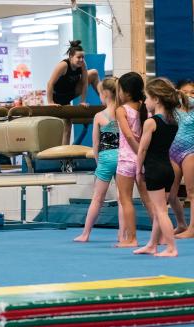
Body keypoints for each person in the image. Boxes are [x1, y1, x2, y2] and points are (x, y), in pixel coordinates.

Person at [133, 78, 180, 257]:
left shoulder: (151, 122)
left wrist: (138, 170)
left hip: (154, 169)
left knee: (160, 211)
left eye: (147, 98)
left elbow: (143, 149)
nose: (145, 102)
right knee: (161, 209)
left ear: (157, 99)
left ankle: (171, 247)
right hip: (168, 169)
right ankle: (152, 244)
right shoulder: (172, 122)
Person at [73, 77, 123, 242]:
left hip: (106, 158)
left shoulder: (99, 116)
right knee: (123, 199)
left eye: (100, 93)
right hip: (123, 157)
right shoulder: (125, 113)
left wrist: (98, 162)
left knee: (97, 198)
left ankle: (85, 234)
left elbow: (95, 144)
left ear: (105, 94)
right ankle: (122, 235)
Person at [114, 72, 151, 248]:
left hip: (127, 160)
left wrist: (138, 155)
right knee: (149, 200)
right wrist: (143, 157)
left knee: (126, 200)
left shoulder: (121, 110)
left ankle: (132, 238)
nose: (118, 93)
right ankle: (159, 236)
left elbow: (128, 137)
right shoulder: (145, 107)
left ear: (126, 92)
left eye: (119, 89)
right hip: (143, 160)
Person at [47, 40, 101, 144]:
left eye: (83, 57)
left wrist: (83, 101)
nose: (81, 60)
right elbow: (50, 84)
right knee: (67, 125)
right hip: (58, 97)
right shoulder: (63, 65)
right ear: (71, 57)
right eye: (78, 57)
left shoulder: (82, 64)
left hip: (70, 93)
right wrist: (50, 102)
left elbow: (85, 83)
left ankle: (105, 99)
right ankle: (64, 153)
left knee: (93, 73)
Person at [170, 79, 194, 237]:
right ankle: (181, 224)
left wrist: (185, 96)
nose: (189, 95)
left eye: (192, 92)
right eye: (185, 92)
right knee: (170, 193)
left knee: (191, 192)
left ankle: (192, 229)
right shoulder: (173, 109)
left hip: (190, 152)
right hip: (172, 152)